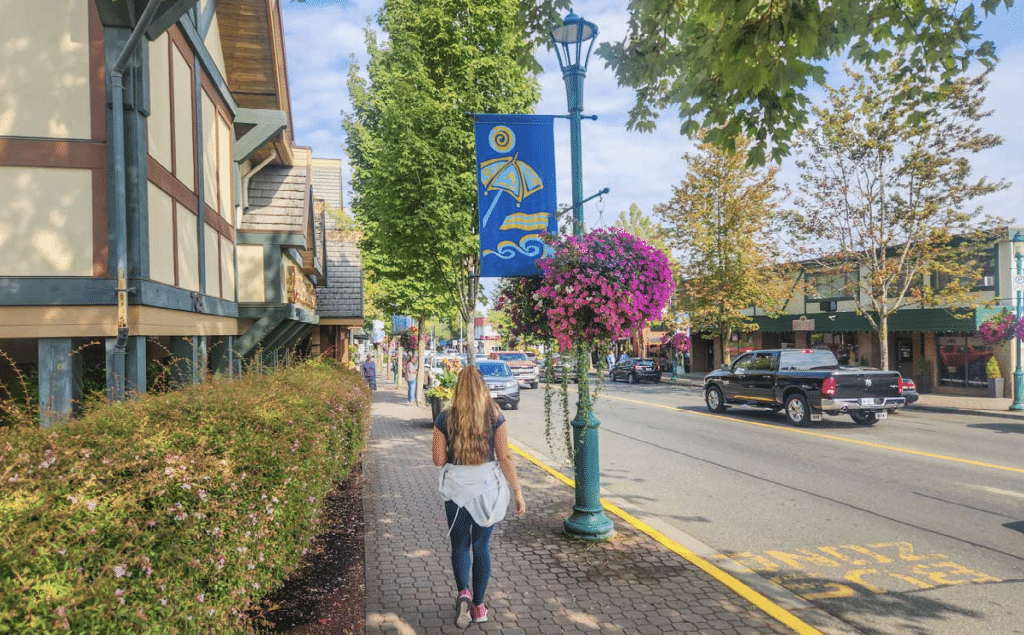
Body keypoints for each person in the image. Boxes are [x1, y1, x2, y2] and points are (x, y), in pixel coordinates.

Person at [432, 366, 525, 628]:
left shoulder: (445, 418)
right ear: (483, 386)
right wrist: (517, 492)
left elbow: (439, 460)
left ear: (457, 388)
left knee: (459, 546)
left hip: (456, 489)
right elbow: (504, 456)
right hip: (486, 488)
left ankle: (463, 592)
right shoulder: (495, 415)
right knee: (481, 547)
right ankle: (480, 606)